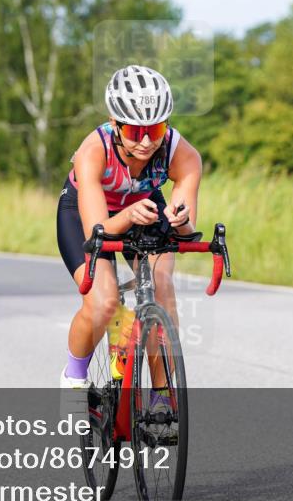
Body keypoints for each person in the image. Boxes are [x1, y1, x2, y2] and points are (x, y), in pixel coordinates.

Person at [56, 65, 202, 417]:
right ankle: (74, 376)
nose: (146, 141)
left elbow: (186, 227)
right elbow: (98, 233)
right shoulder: (94, 151)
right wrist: (127, 214)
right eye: (135, 131)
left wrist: (179, 221)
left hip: (146, 209)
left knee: (162, 288)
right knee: (103, 301)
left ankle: (162, 395)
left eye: (154, 129)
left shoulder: (182, 153)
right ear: (115, 122)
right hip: (88, 216)